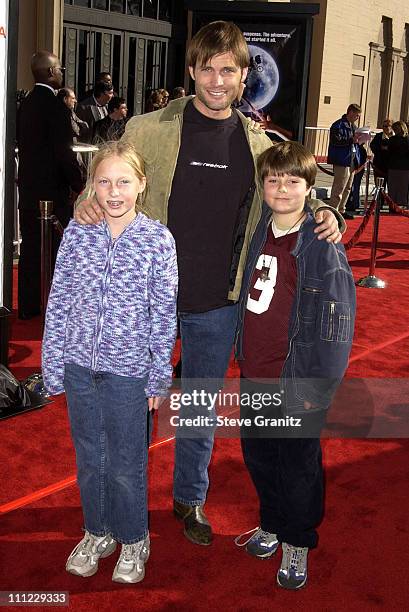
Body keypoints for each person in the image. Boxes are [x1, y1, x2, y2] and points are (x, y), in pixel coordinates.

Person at [74, 20, 343, 547]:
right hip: (144, 299)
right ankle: (125, 509)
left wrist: (326, 210)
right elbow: (109, 179)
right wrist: (89, 197)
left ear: (245, 77)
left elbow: (289, 193)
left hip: (218, 304)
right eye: (208, 69)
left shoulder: (258, 142)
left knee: (198, 406)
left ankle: (189, 498)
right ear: (193, 70)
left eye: (229, 70)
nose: (217, 80)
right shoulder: (148, 129)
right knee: (131, 408)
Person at [41, 141, 178, 583]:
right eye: (103, 182)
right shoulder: (77, 235)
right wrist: (53, 360)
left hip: (129, 374)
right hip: (80, 367)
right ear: (91, 187)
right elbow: (60, 298)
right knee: (89, 458)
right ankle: (96, 532)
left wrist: (158, 376)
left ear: (141, 183)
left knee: (125, 462)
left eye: (123, 181)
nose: (113, 191)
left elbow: (163, 312)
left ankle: (134, 538)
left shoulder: (158, 240)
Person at [235, 141, 356, 590]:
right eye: (273, 179)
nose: (282, 187)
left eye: (293, 180)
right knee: (260, 454)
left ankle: (297, 539)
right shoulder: (261, 228)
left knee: (298, 462)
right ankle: (271, 521)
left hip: (296, 376)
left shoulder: (321, 242)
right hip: (257, 370)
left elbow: (338, 320)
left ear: (310, 187)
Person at [17, 50, 84, 320]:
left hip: (29, 189)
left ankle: (30, 305)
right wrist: (78, 182)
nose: (61, 73)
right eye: (59, 68)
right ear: (50, 72)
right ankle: (53, 309)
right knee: (56, 251)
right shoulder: (55, 106)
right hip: (52, 193)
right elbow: (63, 151)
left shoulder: (28, 103)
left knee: (31, 248)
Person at [328, 103, 362, 220]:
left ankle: (341, 210)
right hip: (342, 159)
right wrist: (350, 140)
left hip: (351, 159)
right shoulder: (338, 125)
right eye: (357, 115)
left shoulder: (354, 127)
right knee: (339, 187)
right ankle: (333, 211)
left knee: (348, 187)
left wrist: (359, 141)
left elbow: (354, 143)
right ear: (350, 112)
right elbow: (335, 141)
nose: (357, 118)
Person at [386, 120, 409, 209]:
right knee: (400, 188)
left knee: (394, 187)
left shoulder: (392, 140)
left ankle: (394, 204)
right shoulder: (405, 140)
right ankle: (400, 205)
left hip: (397, 166)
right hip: (402, 167)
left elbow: (388, 153)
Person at [370, 118, 393, 188]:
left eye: (388, 126)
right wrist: (381, 148)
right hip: (379, 166)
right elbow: (372, 146)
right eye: (384, 126)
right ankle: (379, 199)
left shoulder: (395, 137)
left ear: (392, 127)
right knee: (379, 187)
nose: (386, 128)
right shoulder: (378, 136)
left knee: (391, 189)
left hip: (391, 167)